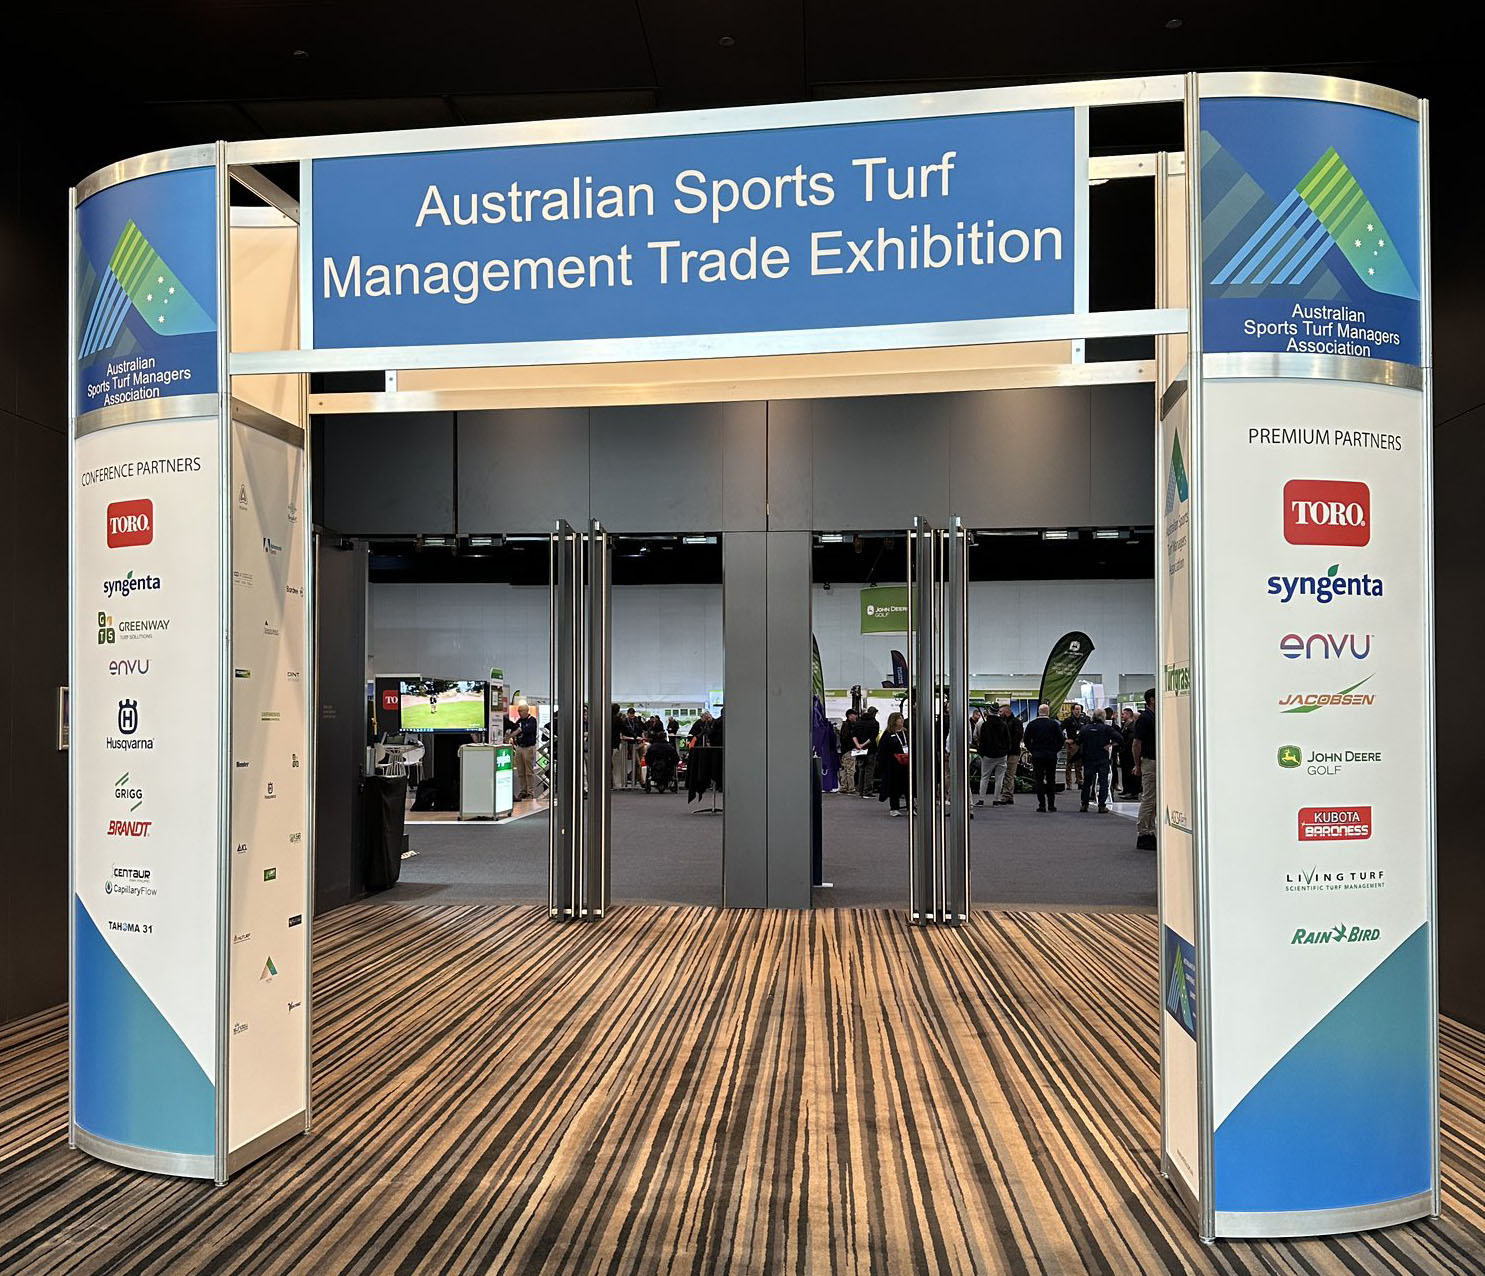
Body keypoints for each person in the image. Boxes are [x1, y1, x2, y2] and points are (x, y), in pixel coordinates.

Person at [1023, 703, 1065, 813]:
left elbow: (1026, 740)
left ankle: (1041, 805)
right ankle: (1051, 805)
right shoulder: (1054, 724)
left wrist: (1033, 750)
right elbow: (1061, 739)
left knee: (1039, 779)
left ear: (1038, 712)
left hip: (1037, 755)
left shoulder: (1032, 724)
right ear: (1048, 712)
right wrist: (1055, 750)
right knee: (1051, 779)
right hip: (1051, 755)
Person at [1133, 688, 1158, 850]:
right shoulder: (1145, 718)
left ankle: (1150, 830)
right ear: (1152, 699)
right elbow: (1136, 743)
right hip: (1149, 761)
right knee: (1149, 799)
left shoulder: (1155, 717)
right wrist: (1138, 765)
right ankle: (1143, 833)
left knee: (1154, 800)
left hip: (1155, 762)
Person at [974, 701, 1012, 807]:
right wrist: (1005, 751)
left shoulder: (985, 725)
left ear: (990, 711)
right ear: (998, 712)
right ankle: (996, 800)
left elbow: (982, 741)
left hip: (988, 756)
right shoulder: (1003, 724)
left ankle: (981, 799)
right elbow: (1008, 741)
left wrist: (982, 753)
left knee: (984, 777)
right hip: (1001, 755)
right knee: (999, 779)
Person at [1077, 709, 1115, 813]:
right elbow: (1120, 738)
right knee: (1103, 782)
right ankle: (1102, 805)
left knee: (1087, 782)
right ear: (1103, 717)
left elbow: (1078, 740)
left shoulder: (1085, 728)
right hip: (1102, 757)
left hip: (1089, 758)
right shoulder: (1106, 728)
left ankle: (1084, 804)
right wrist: (1110, 744)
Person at [876, 712, 910, 815]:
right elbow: (882, 750)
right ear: (894, 721)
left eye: (902, 718)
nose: (902, 720)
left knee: (908, 786)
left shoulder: (906, 732)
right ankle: (894, 808)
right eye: (899, 718)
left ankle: (910, 807)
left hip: (906, 763)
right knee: (894, 786)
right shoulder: (888, 734)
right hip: (893, 765)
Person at [513, 704, 538, 800]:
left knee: (529, 771)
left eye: (521, 711)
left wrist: (519, 730)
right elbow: (514, 729)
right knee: (520, 770)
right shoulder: (519, 721)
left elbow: (528, 730)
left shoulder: (532, 720)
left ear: (526, 711)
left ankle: (530, 791)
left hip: (529, 747)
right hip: (519, 747)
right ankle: (523, 790)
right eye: (518, 711)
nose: (520, 713)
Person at [1000, 707, 1024, 804]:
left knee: (1009, 774)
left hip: (1012, 752)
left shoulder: (1015, 722)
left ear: (1006, 712)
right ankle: (1008, 795)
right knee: (1008, 774)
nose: (999, 713)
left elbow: (1017, 736)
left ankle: (1007, 795)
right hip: (1010, 751)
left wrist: (1008, 746)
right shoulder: (1009, 722)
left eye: (1001, 711)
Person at [856, 705, 881, 797]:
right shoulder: (875, 723)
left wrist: (859, 745)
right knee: (869, 770)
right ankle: (867, 790)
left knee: (861, 769)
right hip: (871, 749)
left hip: (860, 750)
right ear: (874, 713)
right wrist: (864, 744)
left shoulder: (859, 722)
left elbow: (854, 735)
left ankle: (860, 789)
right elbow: (873, 737)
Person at [1062, 702, 1085, 794]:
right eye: (1076, 709)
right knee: (1069, 764)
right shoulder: (1068, 720)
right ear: (1072, 710)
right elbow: (1059, 729)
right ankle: (1069, 783)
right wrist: (1065, 739)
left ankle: (1080, 781)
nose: (1078, 711)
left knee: (1079, 765)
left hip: (1081, 744)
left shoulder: (1084, 720)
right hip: (1072, 744)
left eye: (1079, 709)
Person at [1118, 707, 1141, 798]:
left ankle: (1133, 792)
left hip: (1129, 753)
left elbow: (1131, 740)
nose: (1122, 716)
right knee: (1125, 772)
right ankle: (1126, 789)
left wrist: (1124, 746)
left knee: (1130, 773)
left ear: (1128, 714)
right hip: (1124, 753)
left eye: (1123, 714)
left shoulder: (1132, 726)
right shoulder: (1125, 725)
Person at [837, 709, 859, 796]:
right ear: (850, 716)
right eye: (854, 715)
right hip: (848, 750)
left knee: (845, 769)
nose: (856, 717)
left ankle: (844, 787)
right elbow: (845, 738)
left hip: (845, 750)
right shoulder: (848, 726)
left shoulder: (846, 725)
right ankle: (851, 787)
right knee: (850, 769)